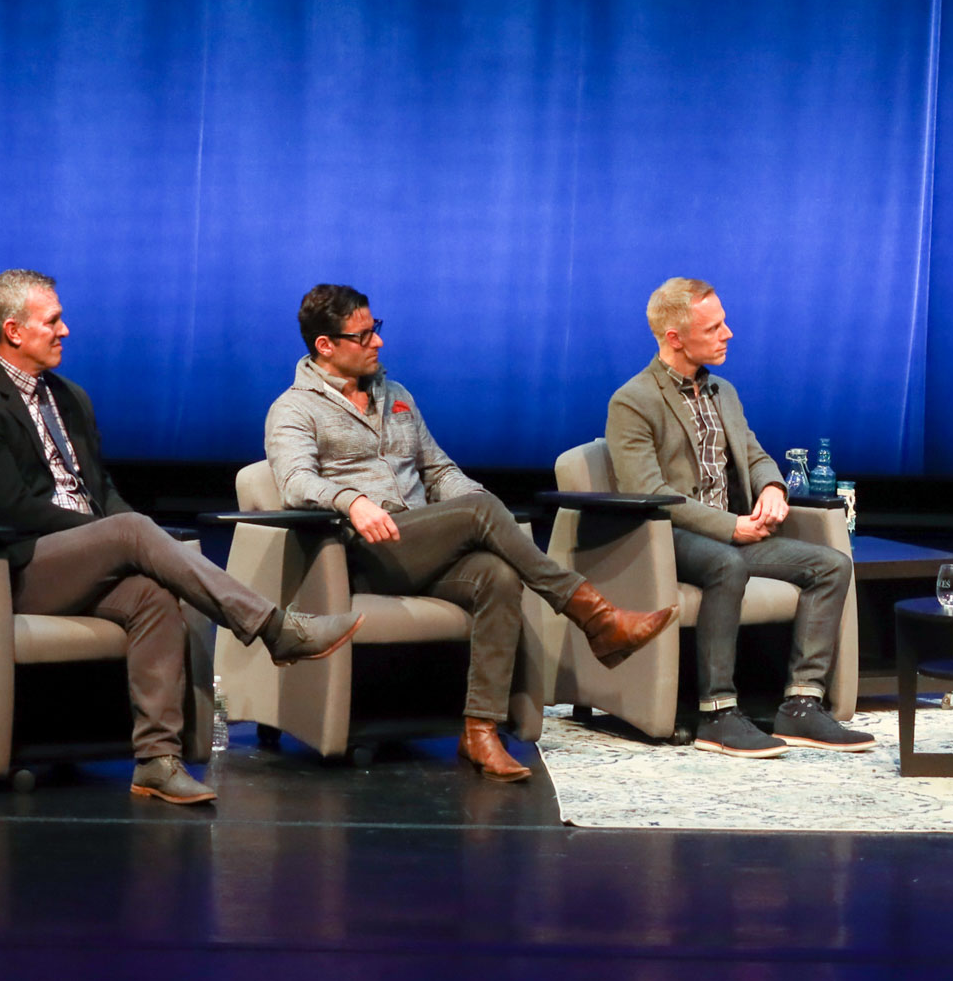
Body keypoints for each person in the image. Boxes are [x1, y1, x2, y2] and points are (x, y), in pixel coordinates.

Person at [0, 270, 366, 805]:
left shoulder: (70, 399)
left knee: (153, 596)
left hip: (78, 557)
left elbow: (103, 491)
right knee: (132, 530)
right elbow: (16, 512)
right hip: (11, 571)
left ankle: (157, 762)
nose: (65, 330)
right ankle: (274, 628)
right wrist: (118, 536)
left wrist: (133, 538)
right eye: (52, 321)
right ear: (15, 331)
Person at [265, 284, 677, 782]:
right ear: (325, 346)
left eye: (378, 328)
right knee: (480, 512)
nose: (377, 341)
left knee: (498, 575)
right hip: (363, 553)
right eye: (363, 334)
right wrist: (352, 501)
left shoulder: (397, 397)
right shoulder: (293, 408)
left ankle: (479, 731)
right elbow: (294, 481)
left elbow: (439, 472)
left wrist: (486, 510)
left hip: (422, 543)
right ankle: (596, 617)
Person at [605, 278, 870, 758]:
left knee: (831, 565)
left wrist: (772, 486)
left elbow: (754, 454)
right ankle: (718, 713)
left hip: (736, 532)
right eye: (715, 327)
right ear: (674, 338)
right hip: (670, 537)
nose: (728, 333)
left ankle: (802, 705)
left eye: (724, 322)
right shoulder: (633, 401)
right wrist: (730, 527)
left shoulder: (722, 391)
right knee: (728, 565)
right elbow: (650, 494)